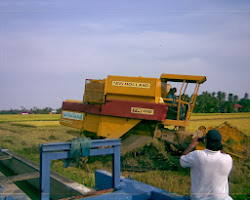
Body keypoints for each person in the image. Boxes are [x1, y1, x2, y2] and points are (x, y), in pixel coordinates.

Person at [180, 130, 233, 200]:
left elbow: (182, 160)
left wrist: (191, 145)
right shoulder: (228, 159)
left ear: (206, 142)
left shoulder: (197, 155)